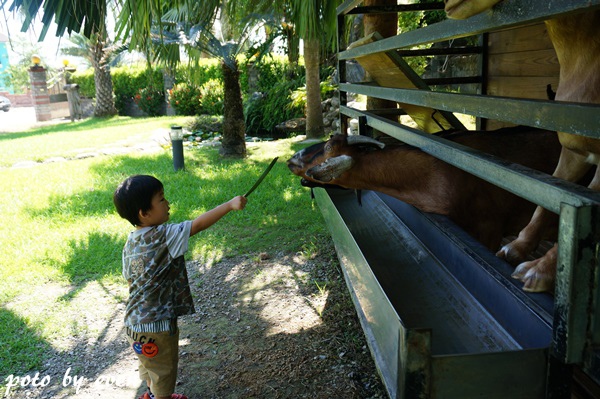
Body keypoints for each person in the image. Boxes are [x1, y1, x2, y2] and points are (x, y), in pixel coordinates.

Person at [113, 174, 247, 399]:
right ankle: (160, 396)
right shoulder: (164, 236)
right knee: (164, 372)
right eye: (162, 199)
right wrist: (229, 205)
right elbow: (197, 225)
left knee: (149, 366)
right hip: (158, 327)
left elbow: (129, 279)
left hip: (133, 323)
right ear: (144, 213)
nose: (168, 204)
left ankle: (152, 394)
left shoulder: (131, 240)